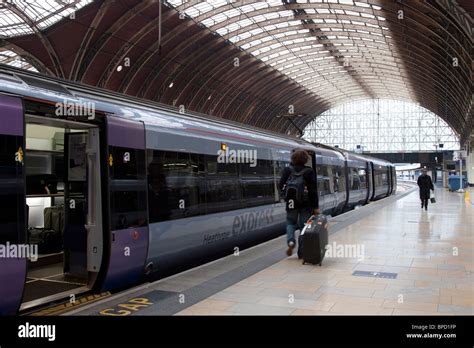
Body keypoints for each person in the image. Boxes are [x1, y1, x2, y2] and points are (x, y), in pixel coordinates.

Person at [279, 149, 318, 256]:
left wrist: (285, 196)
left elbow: (280, 185)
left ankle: (291, 241)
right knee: (303, 227)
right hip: (305, 204)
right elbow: (313, 191)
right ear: (305, 160)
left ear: (293, 158)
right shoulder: (309, 171)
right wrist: (315, 206)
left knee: (290, 223)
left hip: (291, 202)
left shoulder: (287, 170)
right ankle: (301, 251)